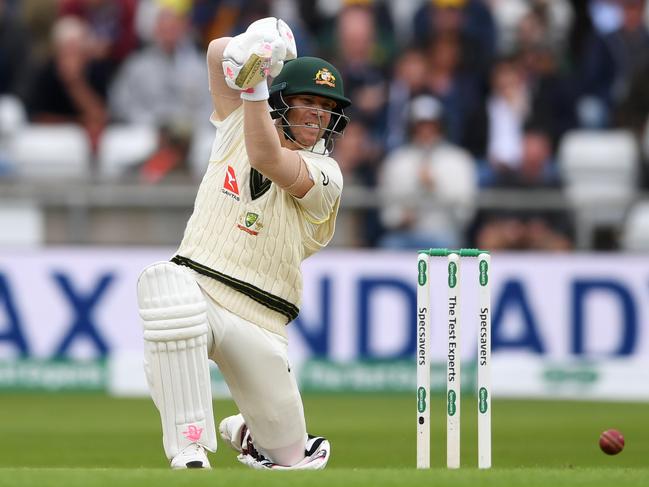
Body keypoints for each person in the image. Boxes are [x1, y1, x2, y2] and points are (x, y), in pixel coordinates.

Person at [136, 17, 351, 470]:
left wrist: (253, 86)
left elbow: (268, 157)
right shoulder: (236, 121)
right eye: (306, 101)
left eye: (326, 106)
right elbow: (216, 53)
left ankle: (254, 434)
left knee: (292, 461)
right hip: (200, 285)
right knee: (166, 289)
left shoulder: (327, 175)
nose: (317, 114)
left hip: (263, 318)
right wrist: (256, 46)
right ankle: (190, 449)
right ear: (281, 103)